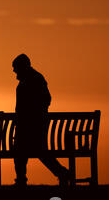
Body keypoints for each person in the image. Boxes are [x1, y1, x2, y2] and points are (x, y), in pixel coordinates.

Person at [12, 54, 69, 187]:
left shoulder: (28, 82)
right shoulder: (37, 79)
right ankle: (61, 172)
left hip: (31, 128)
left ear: (22, 67)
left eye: (15, 68)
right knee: (37, 150)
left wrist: (28, 117)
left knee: (22, 148)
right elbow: (47, 99)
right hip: (38, 126)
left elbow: (23, 108)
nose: (14, 71)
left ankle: (21, 179)